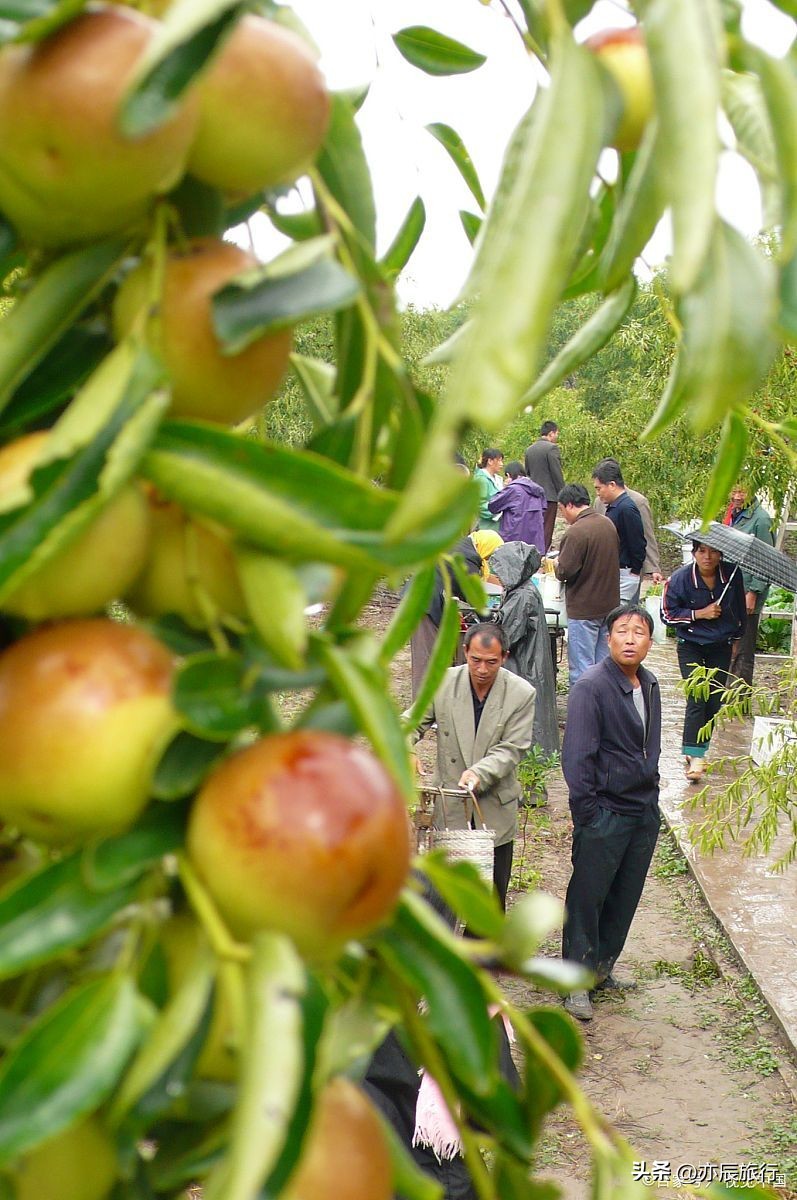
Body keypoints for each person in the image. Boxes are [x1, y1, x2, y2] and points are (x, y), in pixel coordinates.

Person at [560, 603, 661, 1022]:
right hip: (605, 812)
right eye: (623, 631)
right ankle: (574, 982)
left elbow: (650, 745)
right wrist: (589, 814)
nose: (631, 639)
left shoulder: (650, 683)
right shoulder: (592, 686)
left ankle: (601, 969)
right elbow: (577, 757)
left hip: (641, 811)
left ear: (650, 642)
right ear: (608, 638)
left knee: (624, 895)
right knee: (588, 896)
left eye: (639, 632)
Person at [410, 622, 536, 910]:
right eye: (475, 660)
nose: (482, 669)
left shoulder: (521, 693)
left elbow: (512, 748)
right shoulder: (443, 682)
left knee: (489, 902)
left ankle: (485, 954)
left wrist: (480, 772)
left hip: (493, 808)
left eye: (491, 662)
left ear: (504, 657)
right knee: (442, 897)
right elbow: (412, 721)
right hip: (451, 806)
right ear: (464, 651)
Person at [661, 540, 746, 782]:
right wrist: (699, 613)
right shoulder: (679, 580)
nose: (707, 557)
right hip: (691, 646)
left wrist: (737, 638)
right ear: (694, 553)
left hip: (721, 645)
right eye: (702, 551)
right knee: (697, 696)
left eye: (713, 551)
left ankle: (699, 747)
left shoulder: (731, 575)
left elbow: (740, 610)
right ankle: (695, 755)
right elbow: (667, 614)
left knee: (714, 699)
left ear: (721, 553)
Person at [409, 530, 503, 697]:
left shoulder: (459, 546)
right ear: (486, 547)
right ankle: (421, 714)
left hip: (422, 599)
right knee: (426, 659)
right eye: (489, 557)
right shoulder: (467, 557)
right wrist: (491, 620)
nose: (487, 561)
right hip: (423, 604)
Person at [489, 541, 559, 756]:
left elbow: (505, 635)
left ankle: (528, 757)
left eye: (500, 571)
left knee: (526, 716)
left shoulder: (522, 596)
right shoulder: (523, 590)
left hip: (525, 665)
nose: (497, 577)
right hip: (529, 662)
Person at [554, 483, 620, 685]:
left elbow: (565, 571)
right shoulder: (607, 524)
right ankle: (604, 710)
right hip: (609, 606)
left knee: (581, 670)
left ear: (570, 505)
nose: (563, 515)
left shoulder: (577, 532)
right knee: (604, 666)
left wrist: (556, 564)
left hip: (584, 609)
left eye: (562, 509)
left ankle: (583, 713)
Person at [724, 483, 774, 686]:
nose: (736, 496)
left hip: (747, 591)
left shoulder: (760, 520)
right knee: (729, 645)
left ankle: (739, 699)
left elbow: (765, 560)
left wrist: (753, 591)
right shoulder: (734, 515)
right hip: (732, 588)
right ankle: (725, 694)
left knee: (743, 648)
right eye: (733, 491)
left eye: (741, 492)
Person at [591, 458, 646, 604]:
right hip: (615, 572)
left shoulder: (626, 508)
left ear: (612, 485)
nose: (597, 493)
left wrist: (634, 571)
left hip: (624, 573)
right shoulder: (615, 506)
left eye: (599, 488)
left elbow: (638, 543)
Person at [595, 484, 663, 592]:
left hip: (629, 568)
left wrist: (653, 568)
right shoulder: (599, 501)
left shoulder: (638, 501)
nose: (598, 492)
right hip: (607, 568)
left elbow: (646, 535)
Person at [486, 461, 546, 551]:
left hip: (514, 540)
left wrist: (504, 488)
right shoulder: (537, 490)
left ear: (508, 475)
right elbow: (544, 509)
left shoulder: (513, 489)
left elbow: (492, 506)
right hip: (535, 542)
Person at [523, 421, 564, 552]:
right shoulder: (552, 448)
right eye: (556, 433)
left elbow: (528, 472)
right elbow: (556, 473)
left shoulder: (529, 450)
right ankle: (543, 556)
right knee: (547, 529)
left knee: (535, 528)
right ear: (551, 433)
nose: (557, 436)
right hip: (549, 496)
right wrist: (563, 494)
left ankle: (533, 554)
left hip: (533, 495)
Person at [473, 448, 504, 533]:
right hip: (485, 527)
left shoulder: (497, 479)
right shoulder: (481, 479)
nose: (502, 464)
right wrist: (498, 512)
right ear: (490, 461)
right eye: (499, 461)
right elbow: (479, 504)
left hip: (497, 526)